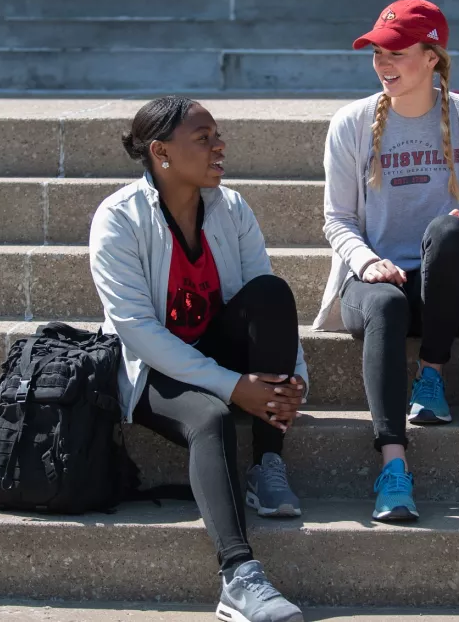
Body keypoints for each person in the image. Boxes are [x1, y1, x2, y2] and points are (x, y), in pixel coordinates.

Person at [90, 96, 307, 622]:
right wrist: (232, 387)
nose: (219, 146)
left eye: (217, 135)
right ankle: (238, 576)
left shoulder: (231, 207)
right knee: (209, 417)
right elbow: (137, 330)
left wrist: (295, 375)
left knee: (272, 292)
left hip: (217, 348)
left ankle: (267, 463)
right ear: (162, 153)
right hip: (153, 370)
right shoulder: (119, 218)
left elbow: (265, 301)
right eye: (204, 138)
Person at [312, 0, 459, 522]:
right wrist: (365, 260)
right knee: (385, 305)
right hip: (375, 285)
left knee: (448, 231)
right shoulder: (350, 123)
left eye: (397, 51)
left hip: (446, 290)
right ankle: (393, 468)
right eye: (377, 51)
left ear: (432, 57)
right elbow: (336, 218)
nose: (384, 63)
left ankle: (431, 375)